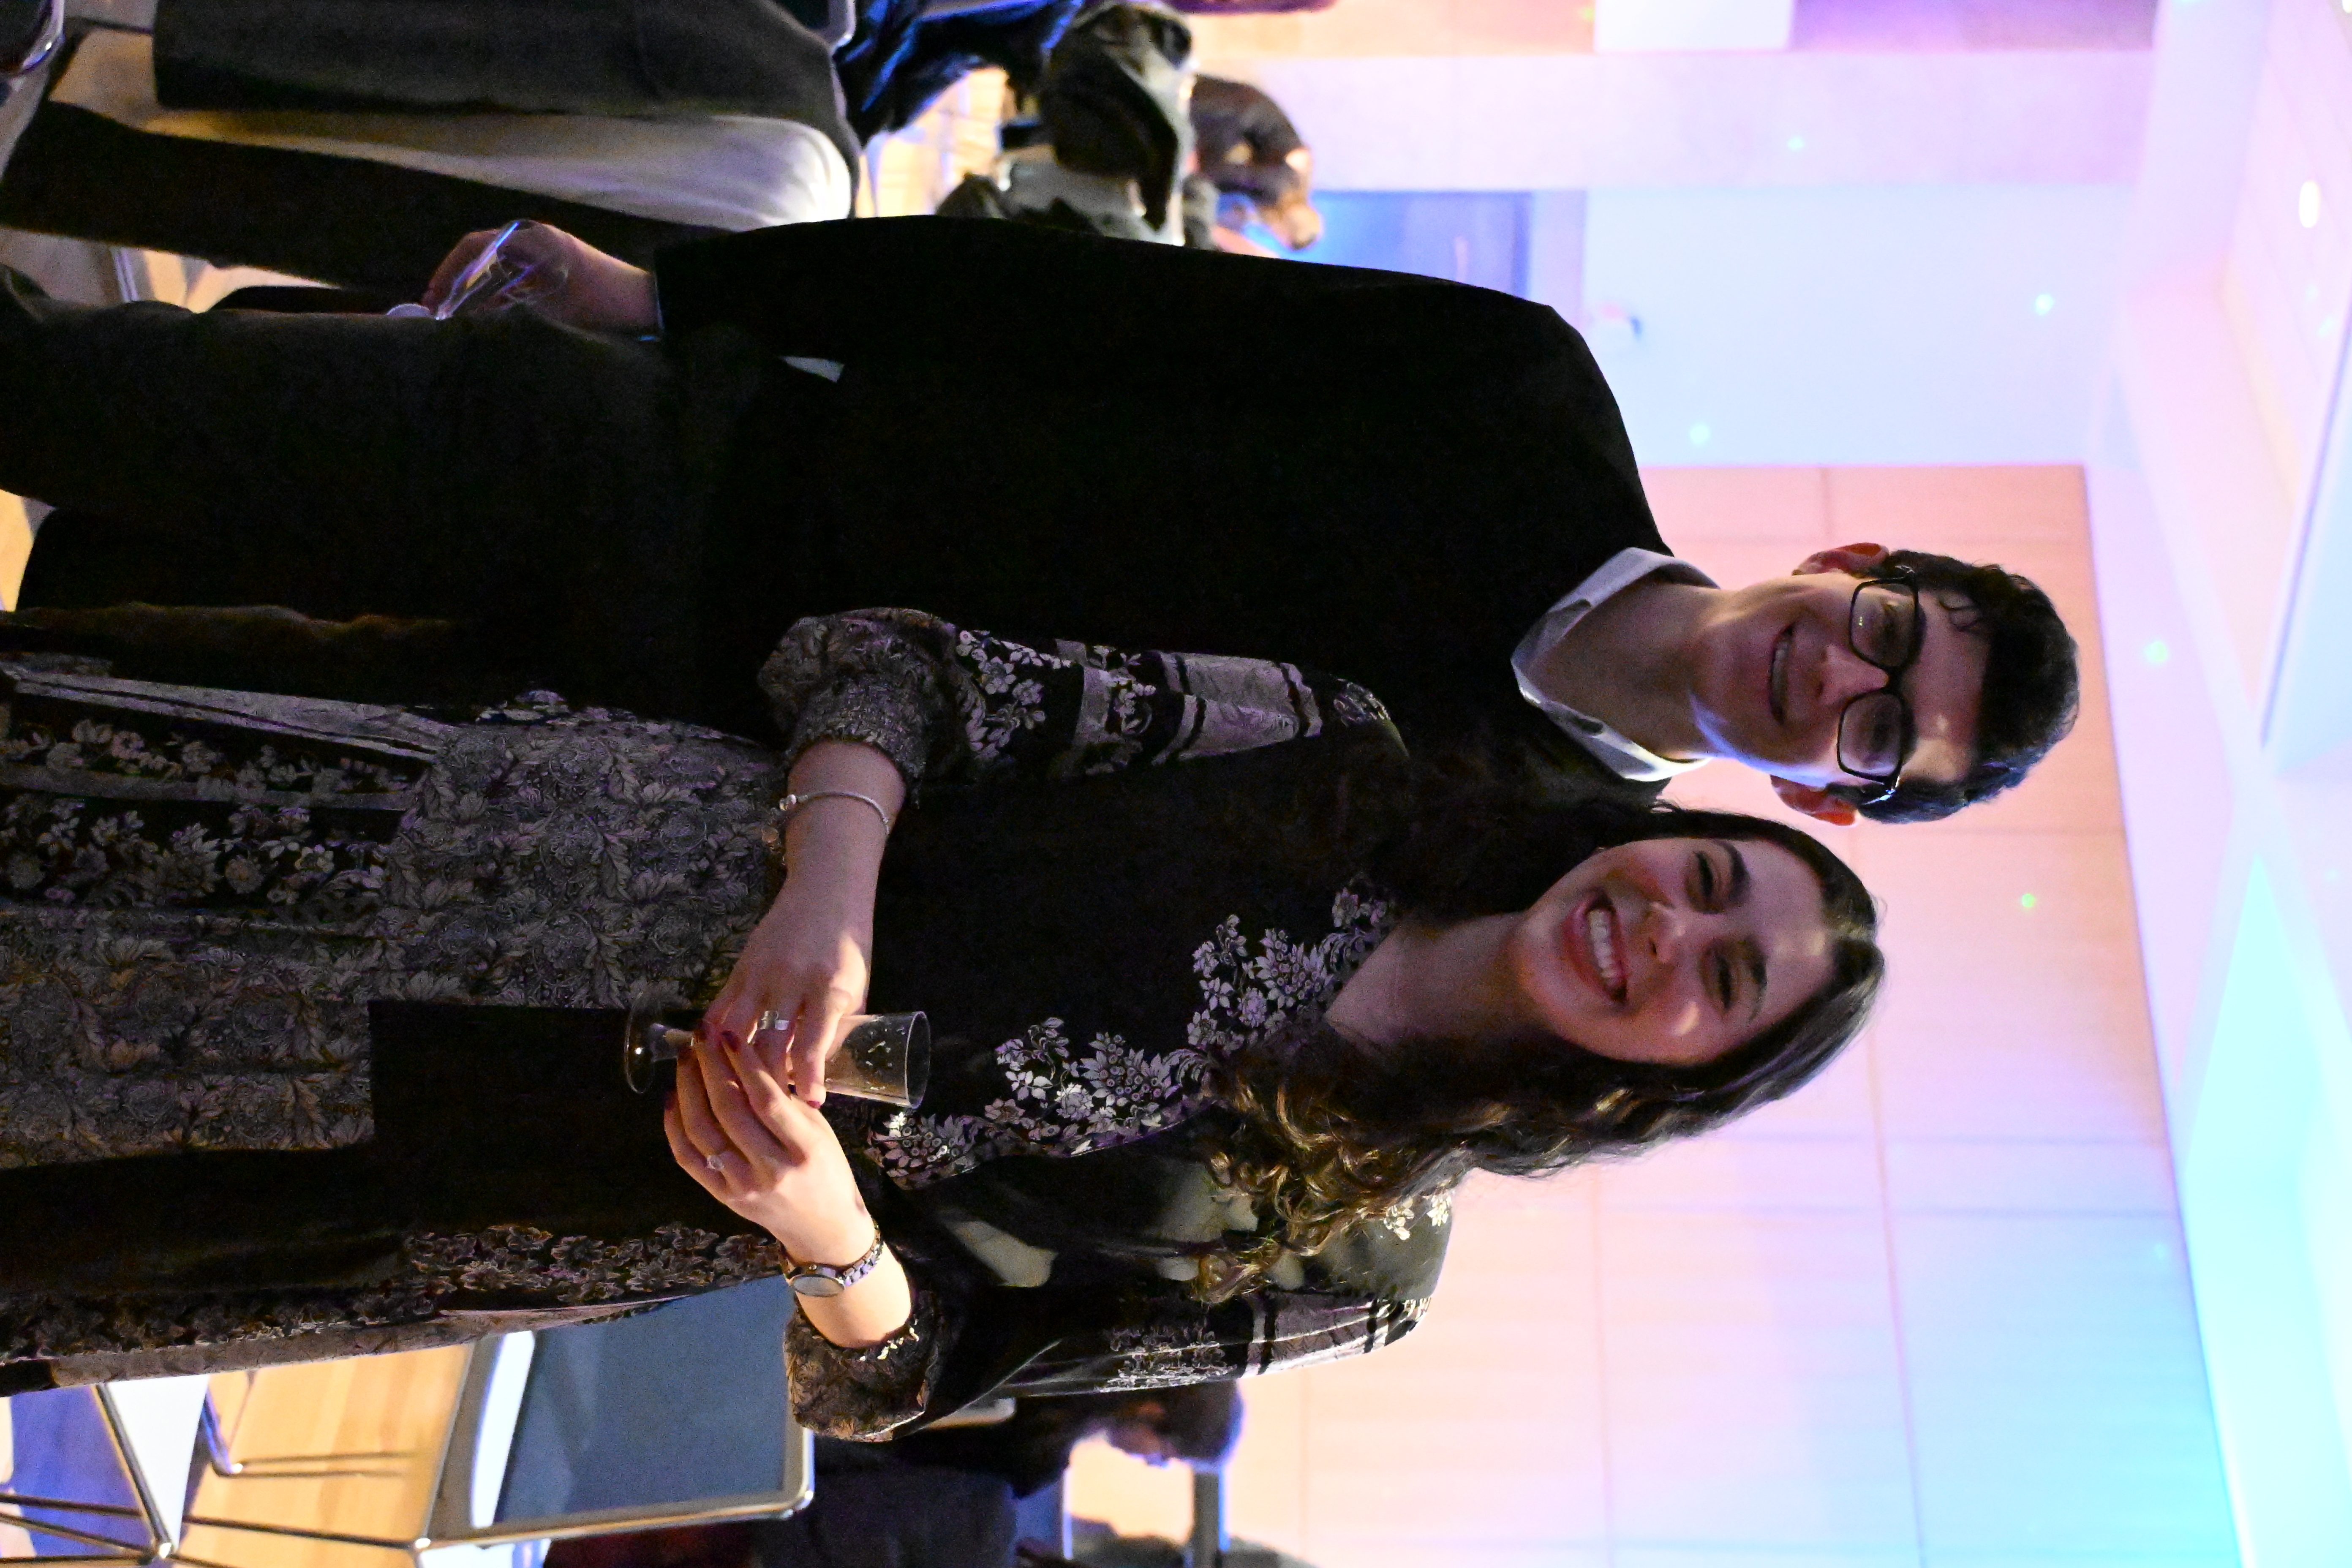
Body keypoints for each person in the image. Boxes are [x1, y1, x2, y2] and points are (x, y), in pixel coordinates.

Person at [0, 604, 1881, 1400]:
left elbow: (909, 1379)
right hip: (520, 838)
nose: (1665, 933)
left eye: (1723, 988)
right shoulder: (1334, 754)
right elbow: (900, 665)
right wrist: (831, 887)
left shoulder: (1359, 1273)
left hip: (545, 1171)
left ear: (1677, 1080)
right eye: (1711, 879)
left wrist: (827, 1232)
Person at [0, 217, 2079, 828]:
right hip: (684, 463)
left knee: (84, 683)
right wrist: (690, 296)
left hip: (646, 747)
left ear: (1835, 794)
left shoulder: (1506, 825)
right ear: (1865, 568)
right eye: (1886, 643)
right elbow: (1077, 299)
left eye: (1881, 737)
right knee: (86, 401)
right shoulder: (1521, 397)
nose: (1842, 688)